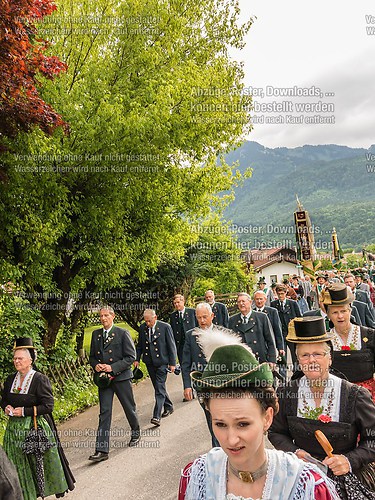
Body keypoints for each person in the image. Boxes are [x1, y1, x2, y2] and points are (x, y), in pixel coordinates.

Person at [178, 328, 340, 500]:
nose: (231, 440)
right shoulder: (197, 478)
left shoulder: (304, 485)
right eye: (220, 424)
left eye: (243, 424)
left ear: (267, 418)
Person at [269, 316, 375, 498]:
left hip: (347, 477)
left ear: (330, 358)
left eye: (318, 354)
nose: (312, 360)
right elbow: (276, 432)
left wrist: (349, 460)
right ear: (298, 360)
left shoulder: (354, 395)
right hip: (302, 476)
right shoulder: (286, 393)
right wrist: (294, 452)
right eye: (304, 355)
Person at [0, 337, 75, 500]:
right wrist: (5, 407)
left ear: (30, 360)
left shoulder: (39, 379)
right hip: (13, 431)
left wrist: (25, 412)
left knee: (36, 466)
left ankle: (35, 493)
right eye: (15, 358)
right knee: (15, 465)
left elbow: (48, 406)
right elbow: (4, 399)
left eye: (20, 358)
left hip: (34, 429)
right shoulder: (10, 379)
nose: (16, 361)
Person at [89, 306, 140, 461]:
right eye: (101, 316)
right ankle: (102, 450)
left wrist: (112, 367)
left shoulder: (122, 333)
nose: (103, 318)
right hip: (104, 380)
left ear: (113, 316)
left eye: (106, 315)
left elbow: (131, 356)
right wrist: (96, 365)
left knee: (128, 407)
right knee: (104, 412)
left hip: (121, 377)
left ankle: (135, 432)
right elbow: (91, 357)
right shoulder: (96, 334)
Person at [321, 283, 375, 402]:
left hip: (367, 398)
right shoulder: (324, 340)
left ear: (350, 310)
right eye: (335, 313)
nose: (340, 316)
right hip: (335, 397)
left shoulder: (370, 335)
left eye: (343, 311)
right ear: (328, 315)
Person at [181, 302, 220, 447]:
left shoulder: (222, 332)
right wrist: (187, 386)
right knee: (211, 417)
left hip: (222, 384)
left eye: (205, 317)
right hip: (202, 385)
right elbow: (185, 363)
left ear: (212, 316)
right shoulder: (191, 335)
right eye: (199, 318)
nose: (202, 321)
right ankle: (217, 450)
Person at [135, 308, 176, 426]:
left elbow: (171, 346)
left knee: (159, 388)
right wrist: (137, 359)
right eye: (145, 321)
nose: (147, 324)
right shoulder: (143, 328)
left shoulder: (165, 327)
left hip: (162, 362)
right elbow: (140, 345)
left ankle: (156, 416)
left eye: (149, 321)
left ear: (155, 317)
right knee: (158, 387)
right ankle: (168, 406)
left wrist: (172, 363)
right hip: (150, 362)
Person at [228, 292, 277, 366]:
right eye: (239, 302)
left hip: (260, 359)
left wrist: (272, 360)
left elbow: (270, 340)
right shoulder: (232, 320)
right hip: (241, 361)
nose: (241, 304)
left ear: (250, 302)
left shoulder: (262, 317)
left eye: (243, 301)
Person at [271, 284, 302, 365]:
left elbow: (299, 318)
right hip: (280, 334)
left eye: (282, 293)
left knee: (294, 355)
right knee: (282, 356)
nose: (280, 295)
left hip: (292, 333)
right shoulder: (273, 304)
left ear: (286, 293)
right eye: (279, 294)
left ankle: (296, 373)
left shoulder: (292, 303)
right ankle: (283, 375)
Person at [170, 294, 197, 364]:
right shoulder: (173, 316)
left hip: (192, 344)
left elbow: (198, 327)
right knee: (184, 366)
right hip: (180, 347)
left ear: (183, 301)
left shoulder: (192, 312)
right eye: (175, 303)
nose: (176, 304)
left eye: (178, 302)